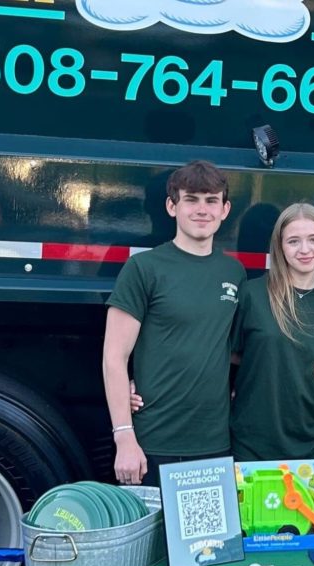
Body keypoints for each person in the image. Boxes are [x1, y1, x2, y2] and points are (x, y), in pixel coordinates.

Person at [102, 160, 244, 485]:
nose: (202, 210)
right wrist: (124, 438)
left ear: (225, 209)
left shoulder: (233, 273)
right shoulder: (143, 268)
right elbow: (114, 357)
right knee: (152, 538)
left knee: (208, 539)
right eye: (191, 199)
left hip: (214, 445)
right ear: (172, 206)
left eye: (211, 201)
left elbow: (236, 349)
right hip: (152, 442)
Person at [227, 203, 314, 460]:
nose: (304, 250)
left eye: (313, 239)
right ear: (280, 247)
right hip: (251, 439)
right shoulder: (252, 294)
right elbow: (228, 354)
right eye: (293, 241)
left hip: (310, 442)